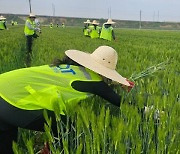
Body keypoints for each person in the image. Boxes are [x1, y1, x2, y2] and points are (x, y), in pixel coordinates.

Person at [0, 46, 134, 154]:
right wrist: (147, 111)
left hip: (4, 89)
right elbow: (121, 102)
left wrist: (118, 83)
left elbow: (96, 85)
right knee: (68, 128)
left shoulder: (70, 68)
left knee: (7, 145)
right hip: (12, 104)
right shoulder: (94, 81)